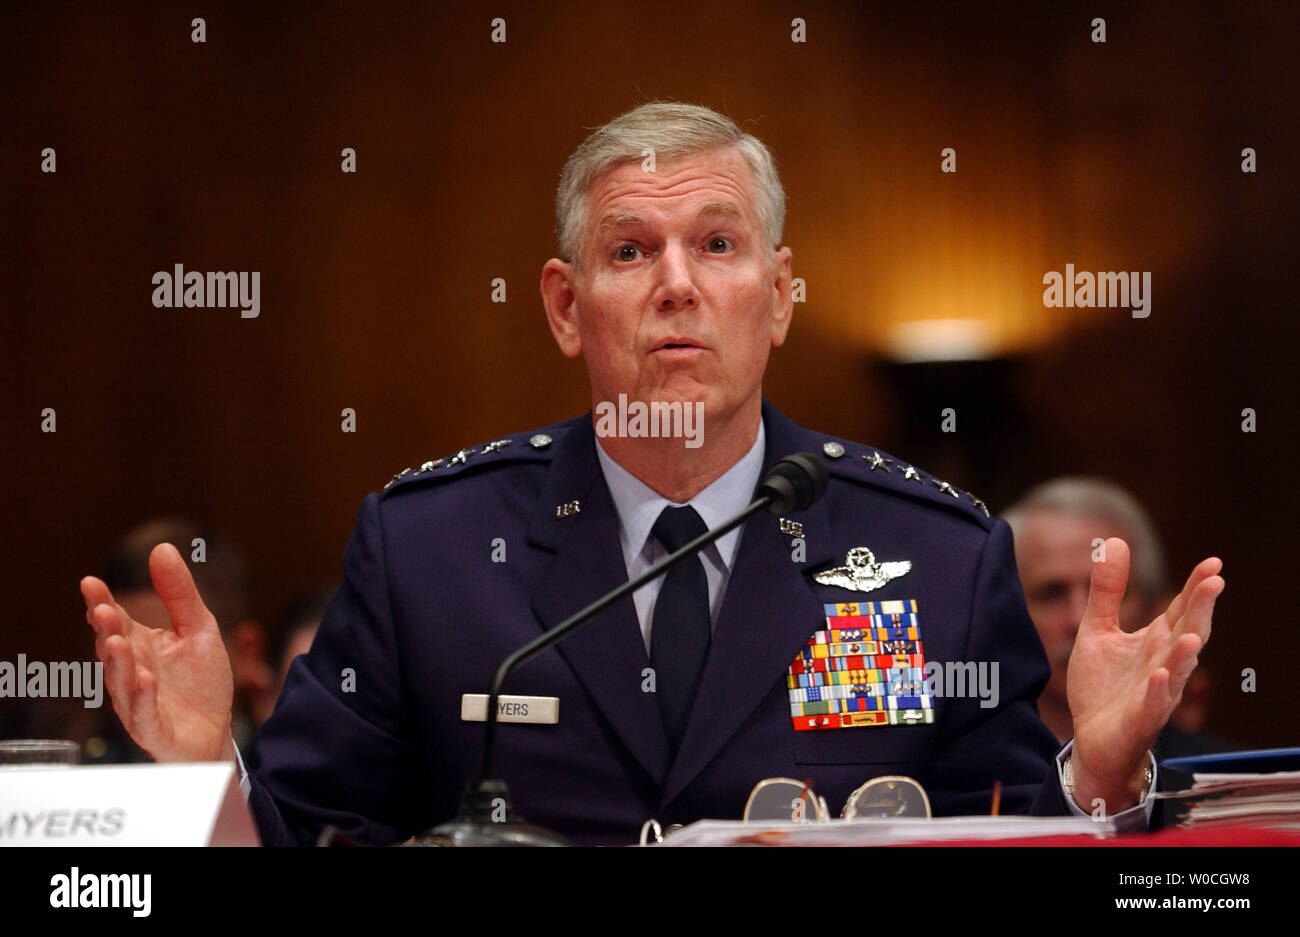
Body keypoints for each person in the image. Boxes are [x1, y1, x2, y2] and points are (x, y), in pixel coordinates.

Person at [78, 102, 1224, 845]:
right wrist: (199, 780)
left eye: (716, 245)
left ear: (775, 296)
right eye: (630, 251)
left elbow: (1015, 832)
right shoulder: (427, 547)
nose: (676, 284)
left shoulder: (938, 553)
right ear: (568, 307)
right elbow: (296, 832)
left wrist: (1101, 782)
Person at [1005, 478, 1235, 760]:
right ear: (1006, 613)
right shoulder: (957, 781)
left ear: (1155, 610)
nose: (1078, 620)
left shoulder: (1227, 788)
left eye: (1115, 593)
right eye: (1051, 594)